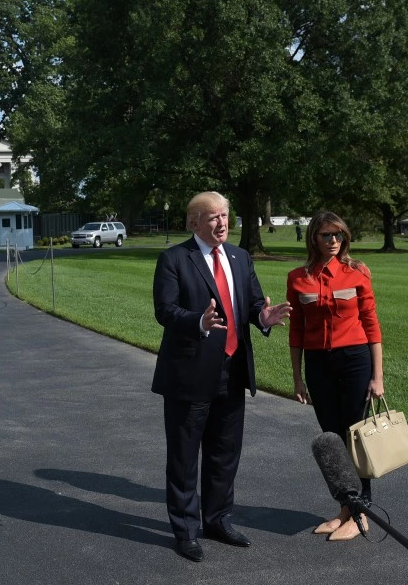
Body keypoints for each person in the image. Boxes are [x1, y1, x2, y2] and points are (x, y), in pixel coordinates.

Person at [151, 191, 292, 562]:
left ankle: (217, 520)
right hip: (189, 373)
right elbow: (165, 310)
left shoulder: (240, 257)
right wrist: (197, 321)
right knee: (184, 458)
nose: (221, 222)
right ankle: (185, 530)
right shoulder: (174, 259)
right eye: (212, 217)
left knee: (224, 453)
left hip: (233, 370)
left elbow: (254, 303)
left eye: (225, 215)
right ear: (193, 222)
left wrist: (263, 317)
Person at [286, 210, 383, 541]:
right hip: (318, 364)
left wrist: (377, 376)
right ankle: (345, 509)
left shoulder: (357, 272)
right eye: (326, 235)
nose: (333, 241)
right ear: (313, 237)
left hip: (355, 360)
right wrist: (297, 378)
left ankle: (361, 512)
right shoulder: (298, 277)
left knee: (355, 436)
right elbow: (296, 330)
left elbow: (371, 323)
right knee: (332, 439)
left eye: (338, 235)